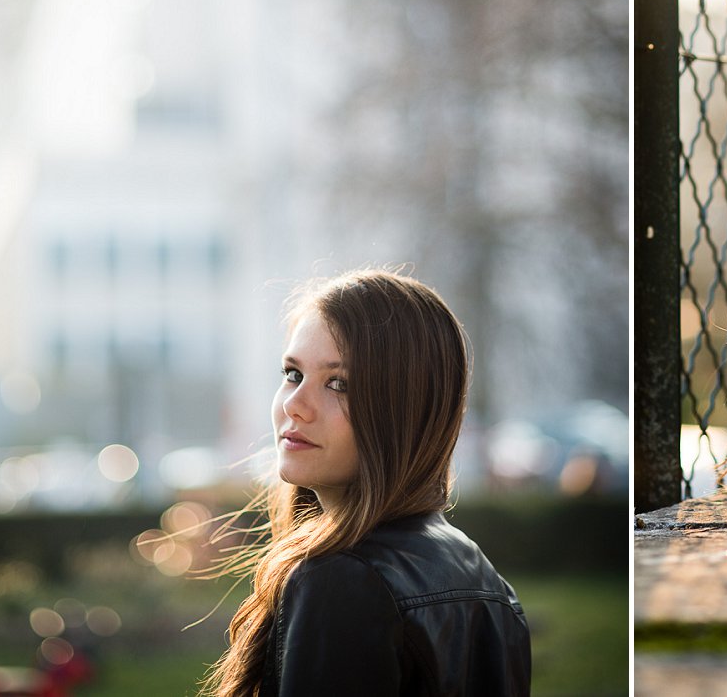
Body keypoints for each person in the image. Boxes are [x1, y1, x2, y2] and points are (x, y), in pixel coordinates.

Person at [202, 270, 531, 696]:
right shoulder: (486, 580)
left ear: (404, 409)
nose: (295, 406)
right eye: (293, 374)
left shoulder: (341, 580)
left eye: (338, 384)